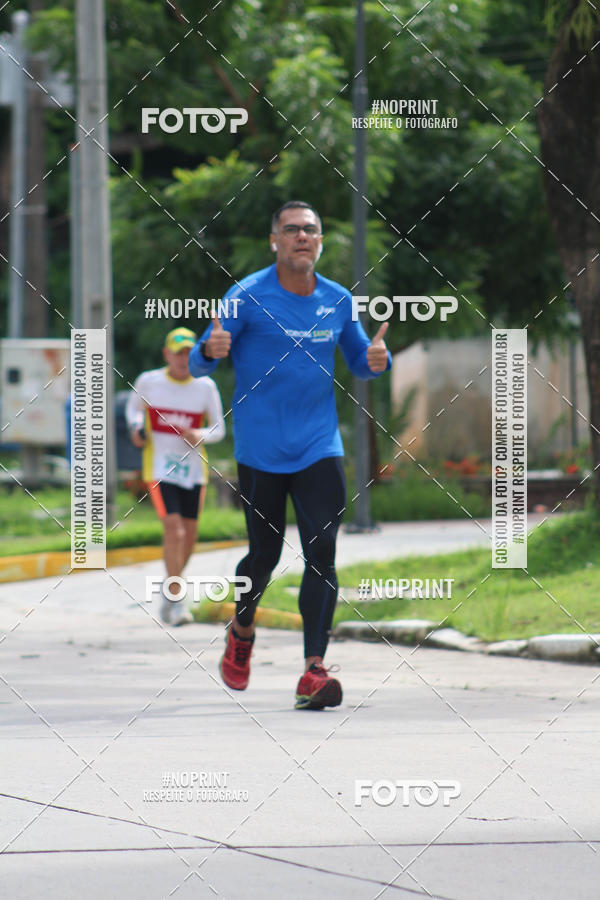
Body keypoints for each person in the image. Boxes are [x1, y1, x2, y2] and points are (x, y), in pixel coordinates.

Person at [189, 201, 390, 708]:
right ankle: (242, 625)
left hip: (319, 446)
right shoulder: (246, 296)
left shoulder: (338, 299)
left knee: (322, 552)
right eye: (291, 229)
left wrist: (374, 361)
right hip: (260, 449)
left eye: (311, 230)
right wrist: (210, 351)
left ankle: (313, 671)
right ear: (274, 240)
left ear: (320, 242)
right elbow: (198, 363)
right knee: (266, 554)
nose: (302, 236)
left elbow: (361, 364)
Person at [126, 327, 226, 625]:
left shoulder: (205, 386)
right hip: (159, 468)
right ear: (166, 354)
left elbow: (219, 429)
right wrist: (137, 429)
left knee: (190, 536)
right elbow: (132, 411)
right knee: (175, 530)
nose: (182, 359)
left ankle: (171, 588)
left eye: (187, 353)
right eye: (177, 352)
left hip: (194, 471)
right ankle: (177, 597)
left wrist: (200, 434)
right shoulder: (150, 381)